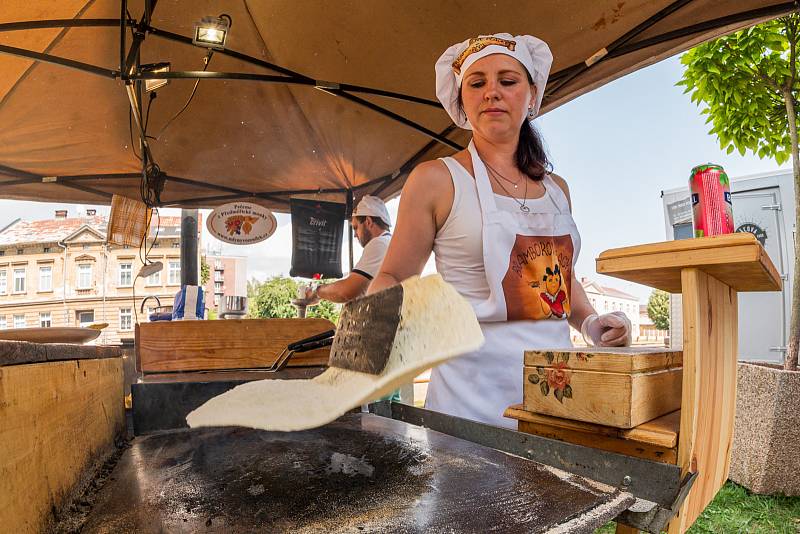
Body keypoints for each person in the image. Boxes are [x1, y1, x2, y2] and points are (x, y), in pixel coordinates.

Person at [367, 33, 631, 428]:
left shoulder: (558, 191)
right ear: (461, 102)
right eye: (477, 83)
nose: (492, 92)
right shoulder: (436, 180)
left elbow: (557, 281)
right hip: (467, 406)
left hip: (555, 402)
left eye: (507, 81)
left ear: (531, 95)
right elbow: (393, 275)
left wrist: (592, 323)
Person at [309, 195, 392, 304]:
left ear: (368, 222)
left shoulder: (379, 244)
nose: (354, 235)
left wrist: (317, 291)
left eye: (356, 227)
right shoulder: (389, 242)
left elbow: (346, 292)